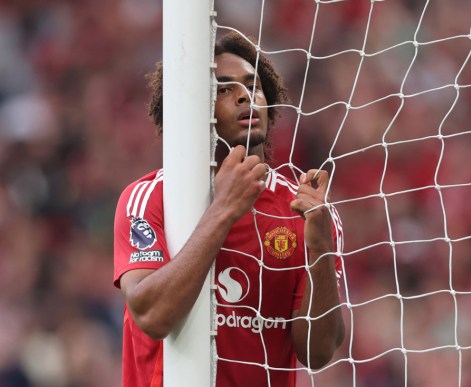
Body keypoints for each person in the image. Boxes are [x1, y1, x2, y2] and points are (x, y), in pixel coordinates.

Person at [113, 31, 345, 387]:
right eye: (224, 88)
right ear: (190, 105)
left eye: (253, 85)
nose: (245, 96)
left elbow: (318, 351)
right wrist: (223, 209)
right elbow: (151, 313)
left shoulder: (303, 207)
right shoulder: (148, 198)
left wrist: (321, 249)